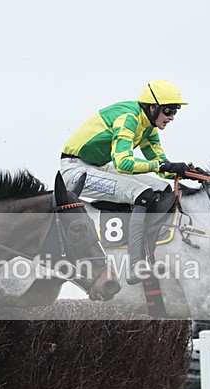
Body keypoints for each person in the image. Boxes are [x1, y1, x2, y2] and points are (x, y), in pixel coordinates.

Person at [60, 80, 199, 284]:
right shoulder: (129, 118)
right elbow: (124, 163)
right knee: (143, 194)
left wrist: (188, 173)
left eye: (175, 111)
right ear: (152, 107)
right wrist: (163, 167)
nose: (171, 117)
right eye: (168, 111)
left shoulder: (149, 127)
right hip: (76, 171)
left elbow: (162, 166)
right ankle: (135, 265)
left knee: (163, 188)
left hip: (100, 166)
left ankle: (153, 247)